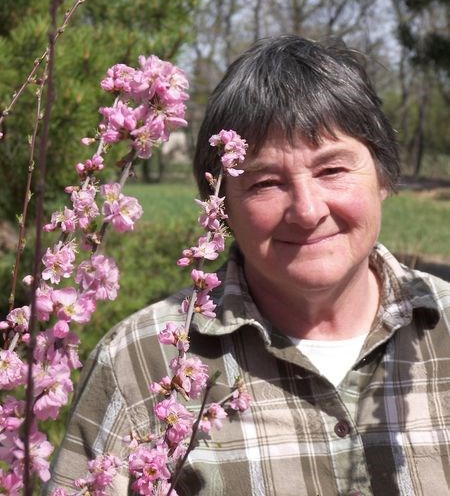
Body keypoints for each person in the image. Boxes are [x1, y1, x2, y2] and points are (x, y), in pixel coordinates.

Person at [46, 36, 450, 495]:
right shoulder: (139, 363)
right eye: (265, 183)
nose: (306, 209)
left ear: (384, 177)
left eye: (332, 170)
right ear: (222, 210)